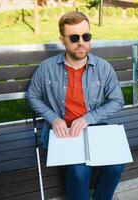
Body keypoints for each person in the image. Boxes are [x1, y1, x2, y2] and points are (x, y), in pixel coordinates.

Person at [26, 11, 125, 200]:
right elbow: (32, 96)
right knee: (80, 173)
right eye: (74, 37)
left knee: (116, 166)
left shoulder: (103, 67)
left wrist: (88, 119)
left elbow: (117, 100)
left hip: (93, 127)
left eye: (86, 36)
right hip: (64, 133)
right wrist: (54, 119)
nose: (81, 42)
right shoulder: (47, 68)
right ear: (62, 40)